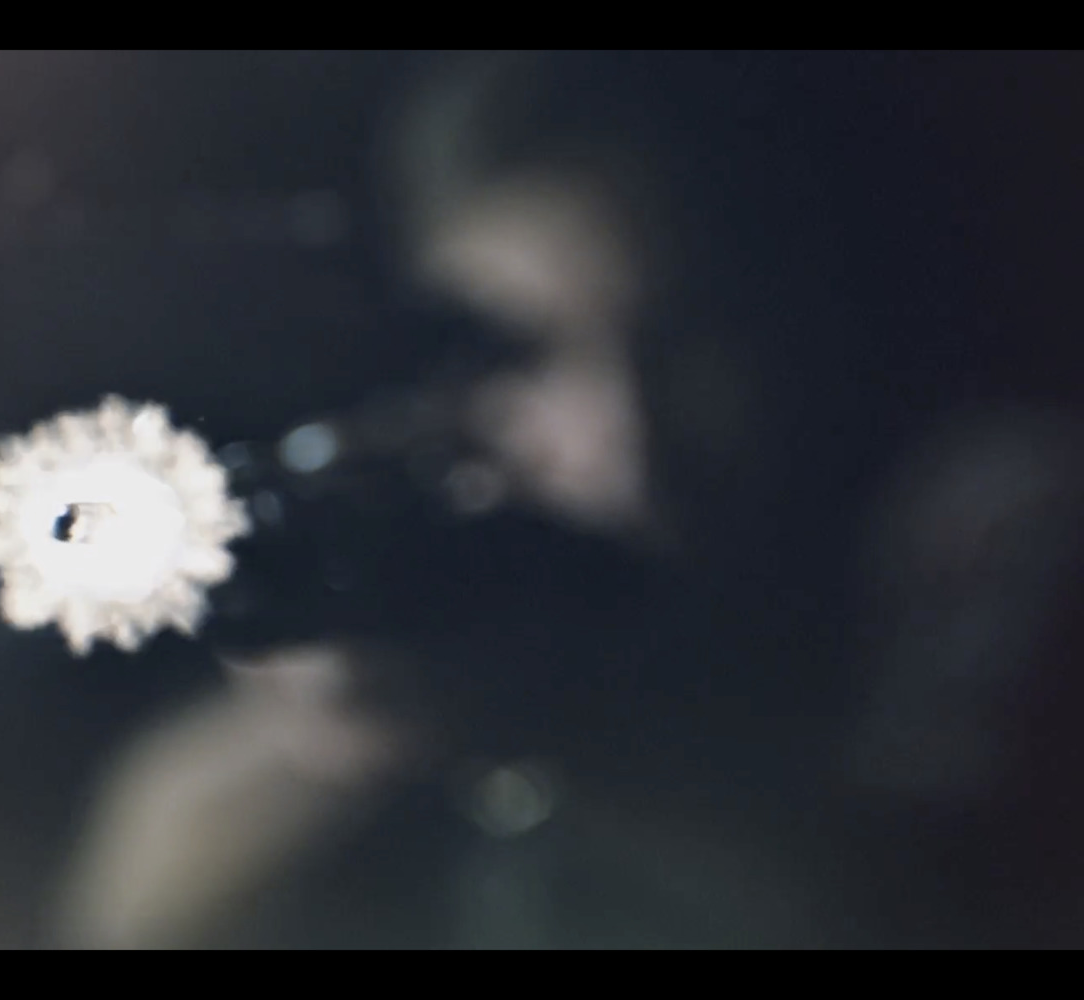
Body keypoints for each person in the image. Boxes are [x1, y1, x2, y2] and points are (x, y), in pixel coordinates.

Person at [55, 51, 1084, 948]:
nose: (624, 432)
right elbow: (127, 904)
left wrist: (560, 732)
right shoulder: (479, 517)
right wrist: (332, 738)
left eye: (689, 343)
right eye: (525, 354)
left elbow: (933, 902)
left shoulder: (984, 522)